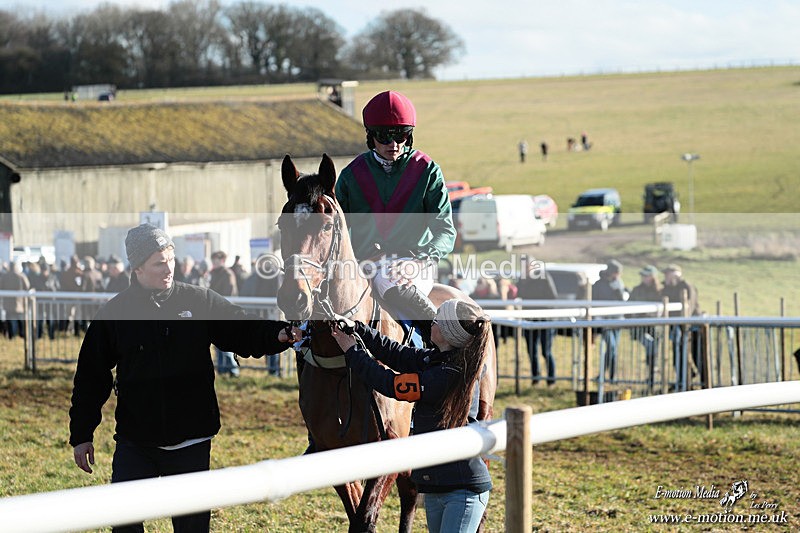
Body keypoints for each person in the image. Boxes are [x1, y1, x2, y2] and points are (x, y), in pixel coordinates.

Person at [69, 224, 300, 533]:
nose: (169, 269)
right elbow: (90, 376)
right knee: (124, 523)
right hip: (136, 442)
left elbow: (241, 327)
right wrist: (82, 433)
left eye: (171, 260)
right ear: (137, 268)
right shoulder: (115, 313)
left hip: (192, 441)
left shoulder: (198, 300)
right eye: (158, 263)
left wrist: (279, 334)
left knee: (192, 528)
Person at [330, 299, 492, 533]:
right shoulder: (439, 359)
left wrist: (352, 351)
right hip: (437, 487)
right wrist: (358, 328)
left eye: (438, 320)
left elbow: (390, 384)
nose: (432, 322)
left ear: (448, 334)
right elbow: (397, 354)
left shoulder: (448, 375)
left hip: (462, 490)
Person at [335, 90, 456, 343]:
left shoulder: (427, 171)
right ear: (371, 136)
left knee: (389, 280)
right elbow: (336, 232)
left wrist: (420, 259)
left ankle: (440, 343)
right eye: (385, 136)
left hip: (414, 263)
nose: (394, 144)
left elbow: (446, 231)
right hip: (363, 264)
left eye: (401, 135)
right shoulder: (350, 175)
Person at [516, 258, 558, 386]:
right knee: (531, 351)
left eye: (527, 266)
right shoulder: (522, 280)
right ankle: (535, 378)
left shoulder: (544, 278)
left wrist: (540, 308)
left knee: (546, 351)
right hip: (529, 319)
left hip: (545, 319)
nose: (525, 269)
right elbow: (519, 296)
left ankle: (551, 379)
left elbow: (553, 297)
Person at [661, 264, 702, 390]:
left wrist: (684, 322)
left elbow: (689, 306)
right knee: (678, 355)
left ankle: (702, 382)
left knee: (697, 356)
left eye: (668, 274)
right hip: (677, 326)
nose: (665, 277)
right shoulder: (667, 287)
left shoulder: (686, 286)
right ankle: (683, 379)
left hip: (692, 326)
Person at [628, 265, 662, 384]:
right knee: (651, 347)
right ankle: (652, 373)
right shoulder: (637, 290)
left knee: (653, 350)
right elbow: (629, 306)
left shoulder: (660, 291)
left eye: (646, 276)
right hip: (640, 327)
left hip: (655, 327)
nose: (643, 278)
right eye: (643, 275)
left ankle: (652, 374)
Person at [592, 260, 625, 382]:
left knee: (613, 349)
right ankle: (604, 374)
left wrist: (618, 290)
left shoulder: (618, 284)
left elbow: (622, 301)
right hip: (604, 321)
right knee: (611, 347)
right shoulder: (599, 285)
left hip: (617, 320)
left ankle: (611, 376)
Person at [209, 250, 240, 377]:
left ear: (222, 260)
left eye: (215, 260)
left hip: (225, 312)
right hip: (215, 311)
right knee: (218, 342)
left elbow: (230, 293)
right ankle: (222, 370)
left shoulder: (227, 274)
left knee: (227, 343)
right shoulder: (214, 274)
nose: (213, 263)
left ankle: (233, 370)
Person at [0, 259, 31, 339]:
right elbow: (27, 286)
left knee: (10, 323)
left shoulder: (5, 277)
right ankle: (21, 337)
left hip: (8, 304)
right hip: (19, 304)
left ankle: (12, 338)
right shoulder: (21, 276)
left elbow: (1, 287)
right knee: (20, 322)